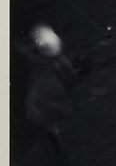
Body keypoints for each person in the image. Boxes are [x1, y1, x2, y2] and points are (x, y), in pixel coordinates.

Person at [15, 23, 76, 152]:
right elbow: (70, 71)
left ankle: (52, 133)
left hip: (41, 90)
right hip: (54, 89)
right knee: (49, 113)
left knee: (41, 112)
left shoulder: (37, 59)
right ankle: (54, 131)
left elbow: (25, 53)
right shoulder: (59, 59)